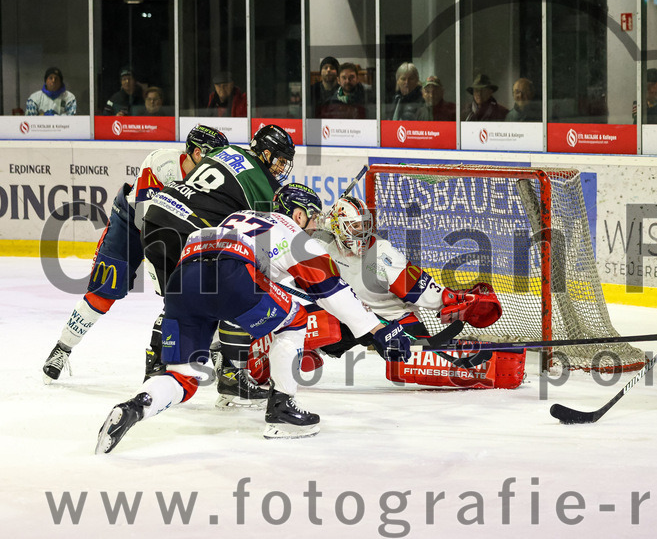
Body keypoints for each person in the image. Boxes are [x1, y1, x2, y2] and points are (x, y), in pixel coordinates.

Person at [95, 185, 412, 453]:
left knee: (184, 378)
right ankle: (281, 411)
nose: (314, 226)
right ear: (297, 214)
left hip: (186, 272)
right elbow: (330, 289)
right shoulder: (292, 232)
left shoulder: (238, 217)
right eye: (312, 218)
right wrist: (375, 329)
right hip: (232, 272)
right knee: (296, 318)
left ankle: (135, 407)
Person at [43, 125, 229, 384]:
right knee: (102, 293)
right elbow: (146, 220)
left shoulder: (215, 179)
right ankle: (62, 349)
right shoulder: (161, 162)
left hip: (177, 231)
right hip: (132, 224)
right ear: (196, 152)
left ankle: (217, 349)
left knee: (206, 287)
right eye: (213, 155)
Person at [140, 124, 294, 405]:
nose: (282, 168)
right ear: (267, 154)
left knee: (177, 302)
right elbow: (261, 233)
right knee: (231, 290)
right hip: (187, 229)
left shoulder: (227, 151)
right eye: (281, 160)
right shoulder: (261, 183)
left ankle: (159, 366)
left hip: (156, 217)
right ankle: (230, 376)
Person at [295, 194, 501, 362]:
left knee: (411, 357)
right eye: (354, 226)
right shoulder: (323, 247)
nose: (363, 232)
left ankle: (466, 361)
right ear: (338, 228)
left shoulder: (381, 255)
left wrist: (449, 298)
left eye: (365, 225)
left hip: (394, 320)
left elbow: (416, 286)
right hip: (353, 318)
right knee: (315, 325)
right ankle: (303, 350)